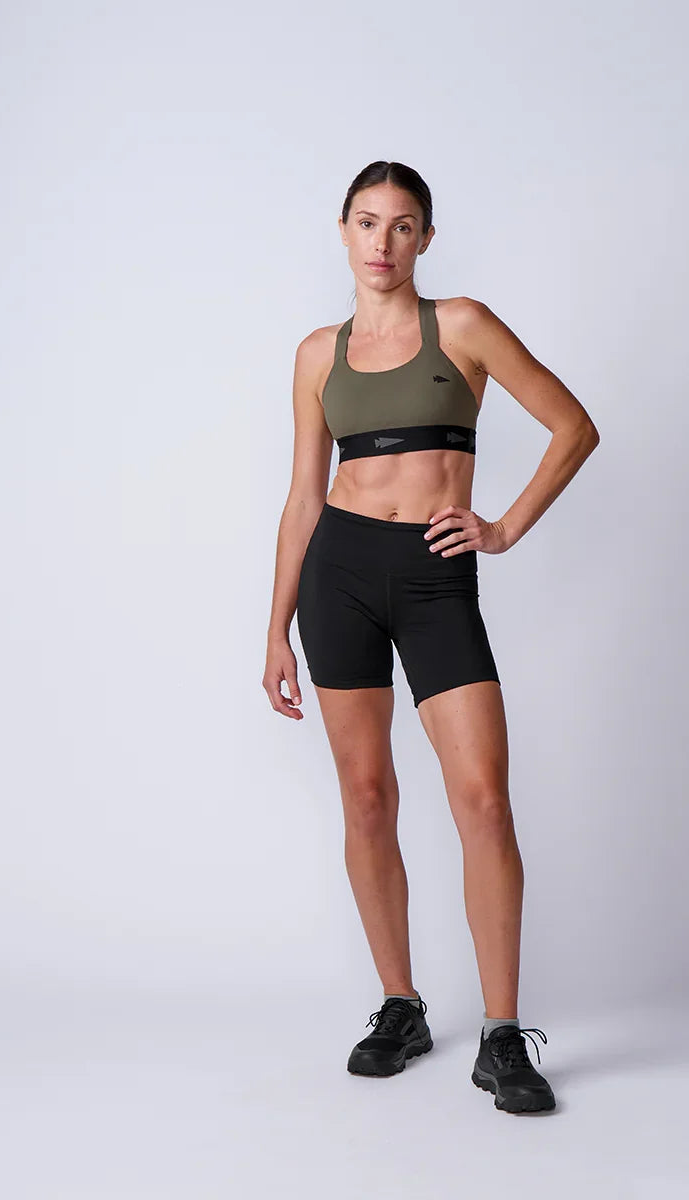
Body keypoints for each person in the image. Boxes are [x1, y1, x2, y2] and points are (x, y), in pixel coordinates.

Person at [263, 161, 598, 1115]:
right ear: (342, 231)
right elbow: (297, 499)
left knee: (482, 799)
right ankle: (400, 1006)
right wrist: (275, 627)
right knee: (366, 797)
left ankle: (502, 1035)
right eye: (367, 223)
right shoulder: (315, 354)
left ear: (425, 240)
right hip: (338, 574)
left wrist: (503, 526)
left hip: (435, 574)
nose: (382, 243)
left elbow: (573, 426)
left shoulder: (465, 327)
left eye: (402, 226)